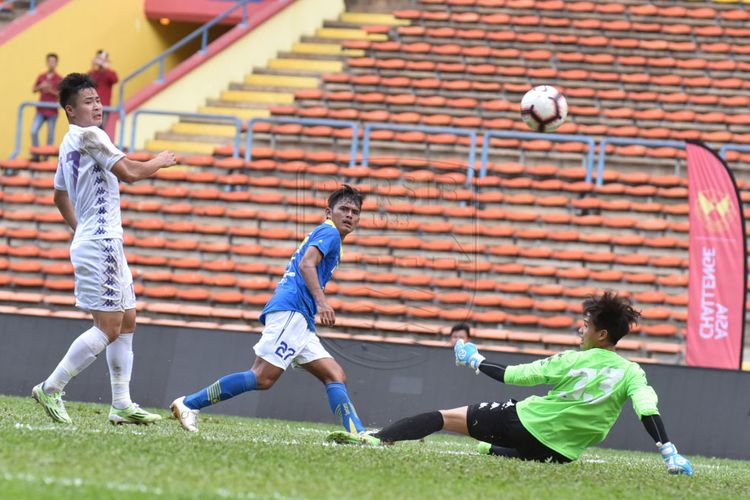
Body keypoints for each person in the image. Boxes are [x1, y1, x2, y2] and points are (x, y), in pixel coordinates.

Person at [327, 292, 693, 476]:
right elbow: (648, 410)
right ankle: (492, 450)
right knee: (528, 457)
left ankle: (373, 438)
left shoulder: (573, 358)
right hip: (563, 454)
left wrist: (474, 360)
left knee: (443, 418)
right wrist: (669, 452)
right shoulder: (633, 373)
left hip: (527, 423)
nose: (580, 329)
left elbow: (513, 376)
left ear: (600, 333)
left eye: (585, 325)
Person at [32, 73, 176, 425]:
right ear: (70, 109)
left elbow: (58, 195)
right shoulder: (90, 135)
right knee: (110, 325)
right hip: (101, 242)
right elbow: (129, 172)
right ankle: (51, 388)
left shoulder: (68, 141)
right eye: (88, 102)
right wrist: (160, 160)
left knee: (127, 318)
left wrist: (79, 229)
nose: (97, 106)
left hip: (100, 239)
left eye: (98, 100)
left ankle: (121, 404)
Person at [171, 185, 367, 435]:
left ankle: (356, 432)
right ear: (329, 212)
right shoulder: (329, 233)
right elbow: (307, 264)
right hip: (293, 310)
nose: (350, 215)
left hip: (300, 317)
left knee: (334, 374)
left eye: (355, 211)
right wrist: (322, 302)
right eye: (344, 209)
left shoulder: (329, 236)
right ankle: (189, 403)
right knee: (262, 376)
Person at [31, 53, 63, 154]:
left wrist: (50, 90)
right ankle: (37, 155)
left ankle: (46, 158)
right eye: (49, 61)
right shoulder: (41, 76)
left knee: (50, 137)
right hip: (40, 110)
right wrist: (41, 86)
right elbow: (34, 89)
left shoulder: (59, 78)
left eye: (53, 62)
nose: (51, 64)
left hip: (52, 111)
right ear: (47, 62)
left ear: (56, 63)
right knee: (33, 131)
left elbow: (61, 95)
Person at [87, 50, 118, 129]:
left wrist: (105, 67)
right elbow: (87, 82)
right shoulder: (93, 73)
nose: (100, 61)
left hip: (104, 107)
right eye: (98, 58)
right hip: (91, 106)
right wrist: (93, 67)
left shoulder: (110, 73)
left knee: (101, 130)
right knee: (90, 129)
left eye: (102, 59)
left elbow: (114, 80)